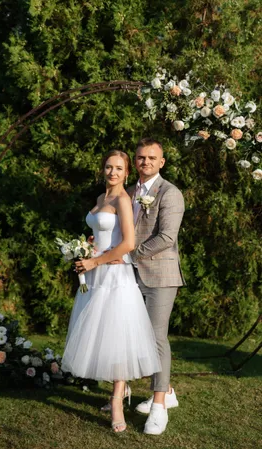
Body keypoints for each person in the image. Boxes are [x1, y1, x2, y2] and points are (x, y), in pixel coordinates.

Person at [61, 150, 161, 433]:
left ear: (126, 173)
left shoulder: (123, 200)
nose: (113, 172)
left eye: (119, 168)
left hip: (115, 276)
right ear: (102, 169)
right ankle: (119, 393)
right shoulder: (100, 199)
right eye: (108, 167)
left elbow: (128, 243)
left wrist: (94, 260)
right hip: (95, 276)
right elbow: (105, 234)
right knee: (100, 335)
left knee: (117, 337)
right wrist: (87, 246)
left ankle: (117, 401)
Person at [101, 138, 185, 435]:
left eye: (152, 158)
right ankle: (125, 393)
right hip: (126, 277)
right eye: (140, 157)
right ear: (134, 162)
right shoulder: (129, 191)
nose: (145, 162)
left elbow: (166, 238)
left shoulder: (170, 193)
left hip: (159, 277)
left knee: (155, 337)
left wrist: (127, 254)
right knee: (124, 334)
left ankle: (160, 404)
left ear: (162, 162)